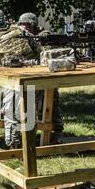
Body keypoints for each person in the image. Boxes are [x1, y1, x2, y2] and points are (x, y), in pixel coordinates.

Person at [0, 9, 41, 149]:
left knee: (11, 112)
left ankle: (14, 146)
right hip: (31, 75)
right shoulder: (22, 31)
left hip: (11, 78)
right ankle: (30, 144)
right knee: (30, 111)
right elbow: (38, 48)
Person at [18, 12, 64, 143]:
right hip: (31, 75)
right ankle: (32, 134)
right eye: (21, 25)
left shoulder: (45, 36)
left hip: (47, 75)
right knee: (29, 105)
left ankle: (58, 131)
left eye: (26, 25)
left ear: (33, 25)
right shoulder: (21, 37)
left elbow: (47, 53)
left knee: (52, 103)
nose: (23, 28)